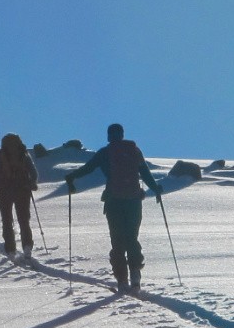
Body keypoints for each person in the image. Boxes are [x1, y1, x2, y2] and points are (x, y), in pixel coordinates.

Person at [64, 123, 163, 292]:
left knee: (117, 240)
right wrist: (155, 189)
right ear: (122, 135)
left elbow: (88, 168)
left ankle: (122, 280)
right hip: (134, 201)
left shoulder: (105, 153)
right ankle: (135, 274)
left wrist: (72, 177)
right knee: (131, 237)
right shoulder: (134, 151)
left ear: (109, 136)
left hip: (114, 201)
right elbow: (145, 173)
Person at [0, 133, 39, 258]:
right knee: (24, 219)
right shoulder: (23, 153)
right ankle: (27, 246)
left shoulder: (1, 155)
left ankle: (10, 249)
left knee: (7, 220)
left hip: (4, 191)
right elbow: (34, 173)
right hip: (23, 190)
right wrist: (32, 183)